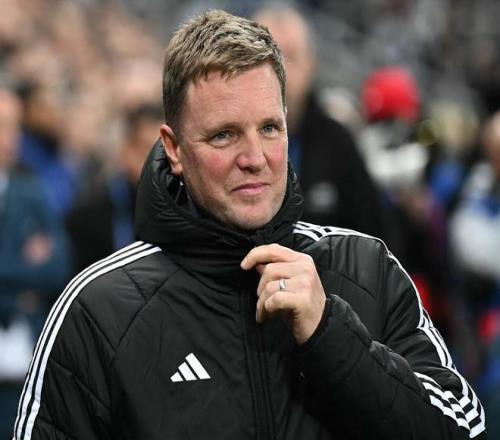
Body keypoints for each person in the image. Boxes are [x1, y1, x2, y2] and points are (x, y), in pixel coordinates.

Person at [13, 9, 486, 440]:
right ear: (174, 149)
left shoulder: (367, 270)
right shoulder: (97, 312)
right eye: (224, 135)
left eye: (269, 128)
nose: (255, 158)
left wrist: (331, 337)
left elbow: (464, 432)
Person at [253, 4, 386, 239]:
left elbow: (370, 237)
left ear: (310, 64)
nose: (280, 70)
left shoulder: (338, 143)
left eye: (291, 56)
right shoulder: (227, 140)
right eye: (267, 57)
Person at [0, 85, 70, 439]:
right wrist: (20, 278)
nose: (9, 137)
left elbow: (57, 267)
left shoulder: (32, 192)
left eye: (14, 126)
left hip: (21, 365)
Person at [66, 103, 164, 273]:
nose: (156, 161)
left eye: (163, 151)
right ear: (125, 149)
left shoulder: (182, 210)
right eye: (145, 149)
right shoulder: (89, 213)